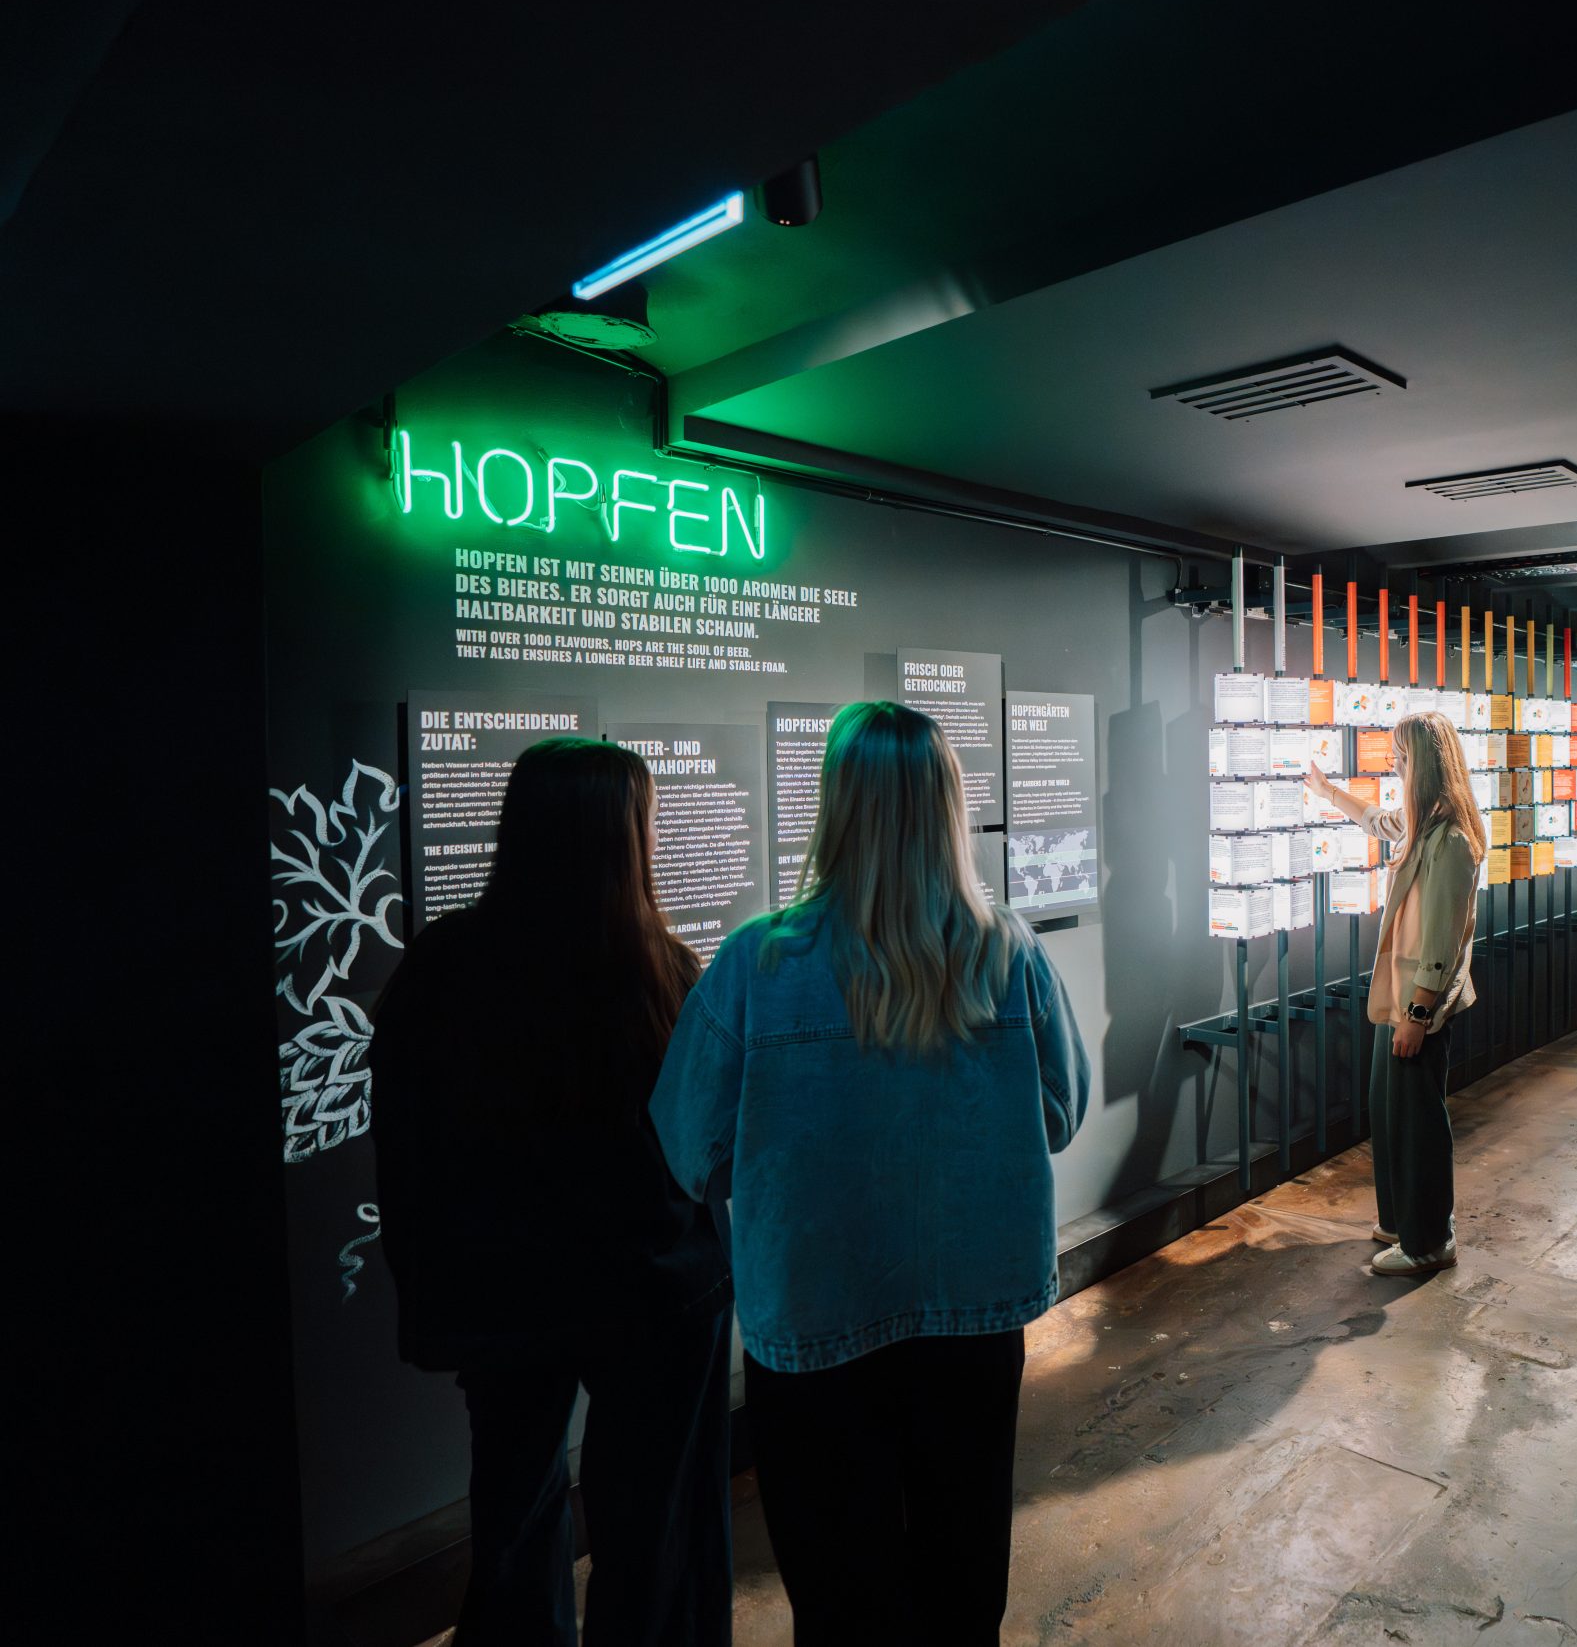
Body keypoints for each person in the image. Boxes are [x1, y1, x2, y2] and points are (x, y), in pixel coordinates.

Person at [651, 702, 1090, 1645]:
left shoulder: (756, 962)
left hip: (815, 1323)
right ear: (948, 807)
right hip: (973, 1313)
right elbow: (1061, 1113)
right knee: (961, 1586)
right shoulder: (1010, 952)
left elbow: (691, 1149)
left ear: (835, 804)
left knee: (839, 1601)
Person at [370, 738, 734, 1647]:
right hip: (654, 1292)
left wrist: (431, 1284)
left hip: (504, 1297)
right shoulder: (664, 973)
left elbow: (406, 1148)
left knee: (516, 1516)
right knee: (651, 1530)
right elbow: (700, 1145)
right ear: (626, 836)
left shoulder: (442, 967)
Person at [1304, 709, 1488, 1276]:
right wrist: (1329, 793)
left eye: (1401, 757)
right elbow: (1380, 822)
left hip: (1417, 1007)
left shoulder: (1451, 841)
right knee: (1390, 1111)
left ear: (1425, 764)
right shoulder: (1423, 823)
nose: (1395, 766)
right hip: (1399, 1001)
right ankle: (1402, 1219)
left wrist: (1418, 1013)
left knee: (1418, 1123)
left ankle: (1429, 1241)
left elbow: (1441, 940)